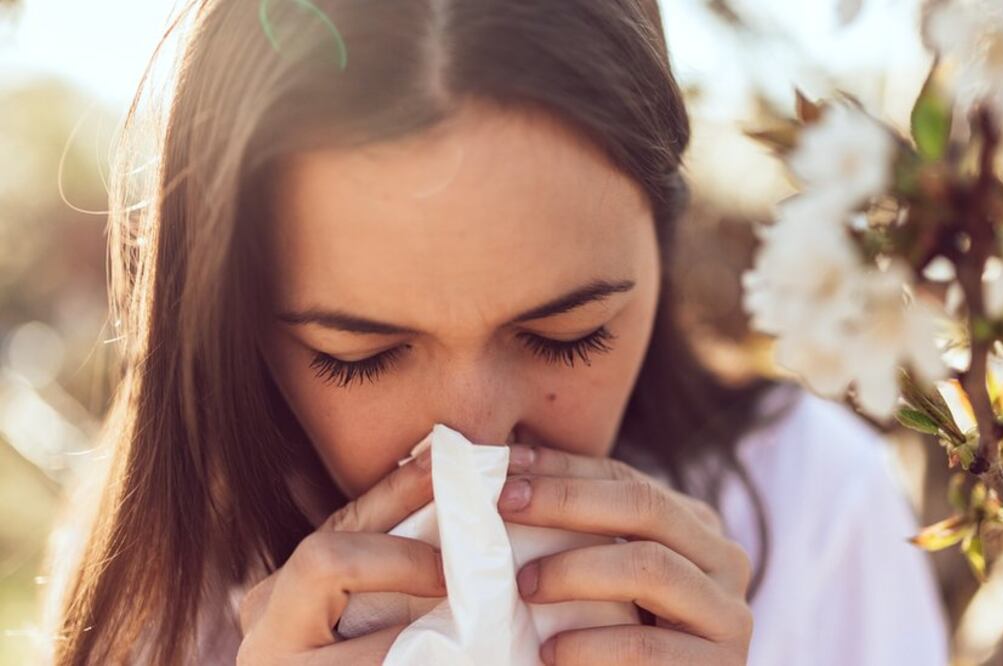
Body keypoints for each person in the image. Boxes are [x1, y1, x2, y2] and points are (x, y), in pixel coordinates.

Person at [43, 0, 948, 664]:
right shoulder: (167, 571)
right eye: (358, 356)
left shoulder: (816, 505)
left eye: (569, 335)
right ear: (237, 321)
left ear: (662, 252)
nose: (474, 438)